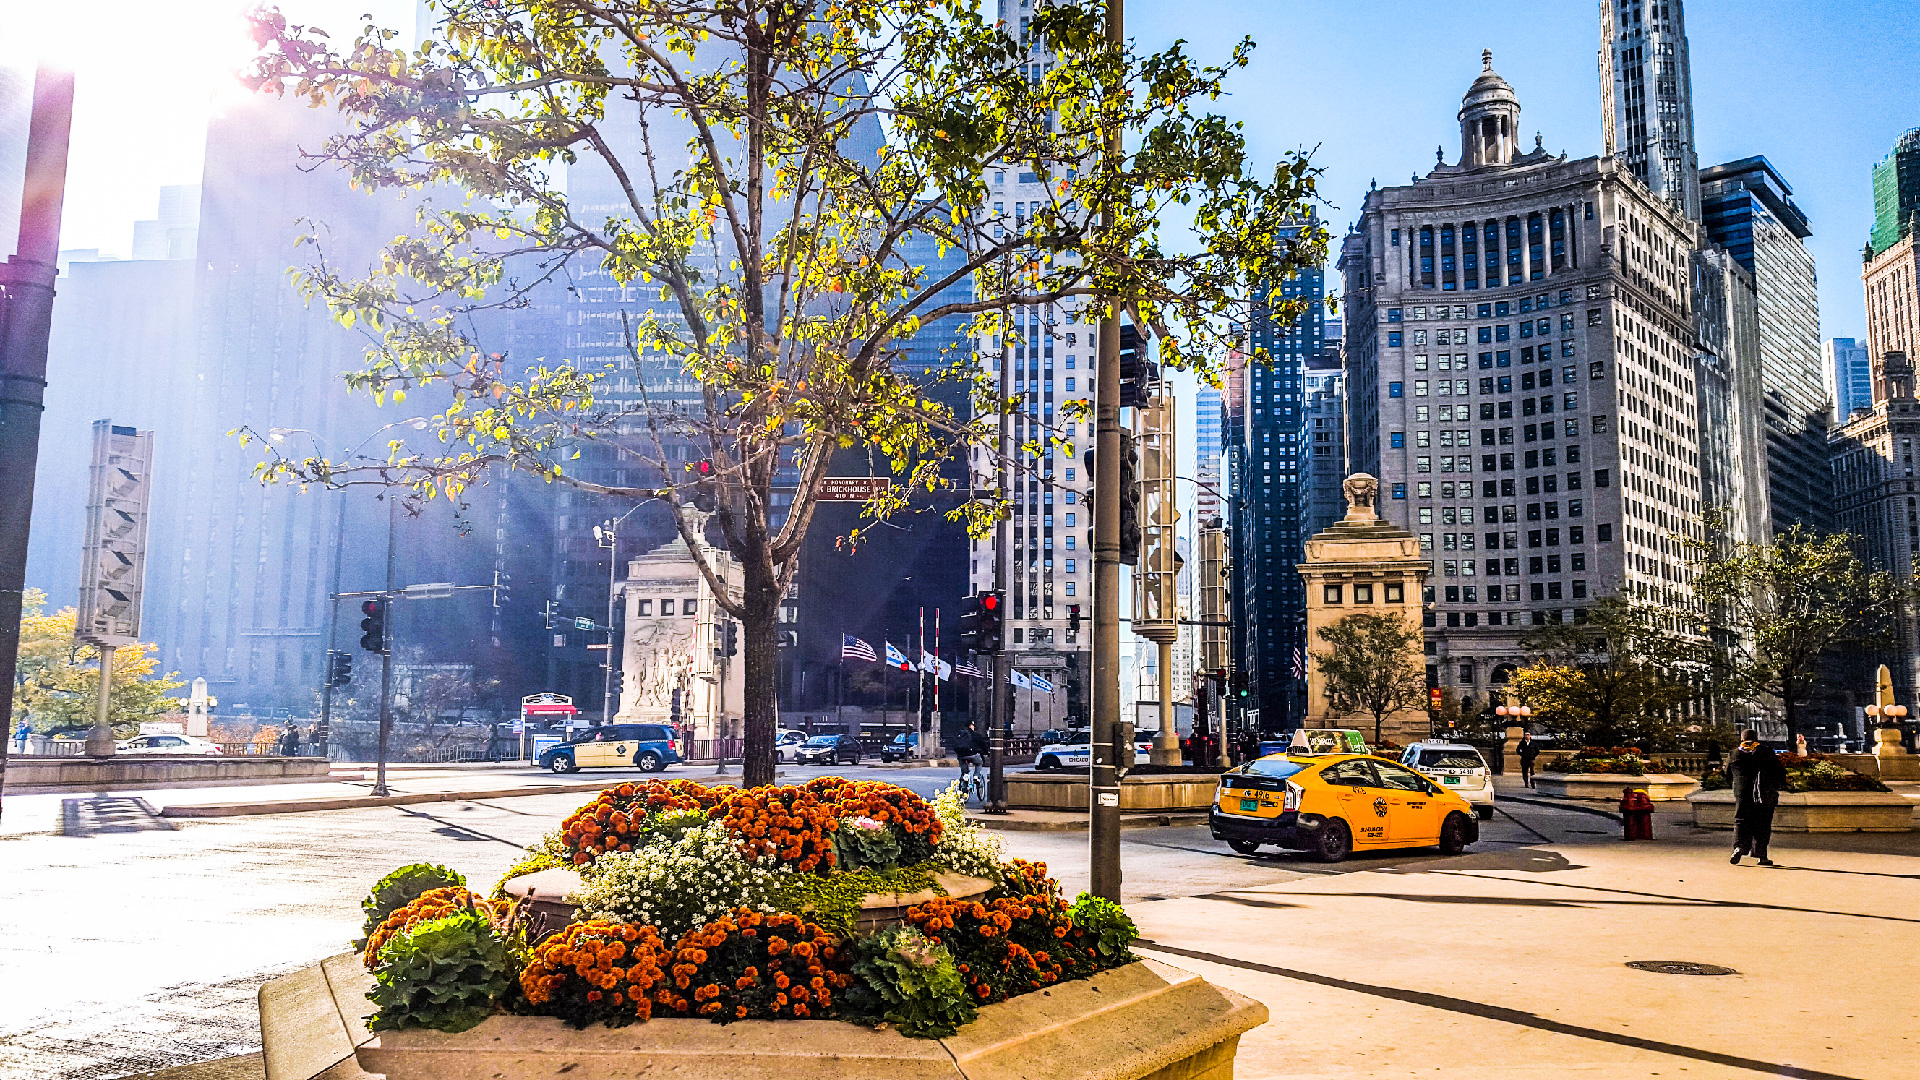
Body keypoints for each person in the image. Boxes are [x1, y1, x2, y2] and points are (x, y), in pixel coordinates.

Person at [1729, 728, 1786, 866]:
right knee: (1763, 822)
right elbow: (1778, 770)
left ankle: (1739, 847)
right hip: (1763, 793)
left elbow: (1727, 773)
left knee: (1741, 820)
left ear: (1742, 739)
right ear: (1756, 738)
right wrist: (1781, 784)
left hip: (1743, 793)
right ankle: (1761, 855)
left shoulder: (1734, 753)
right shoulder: (1765, 752)